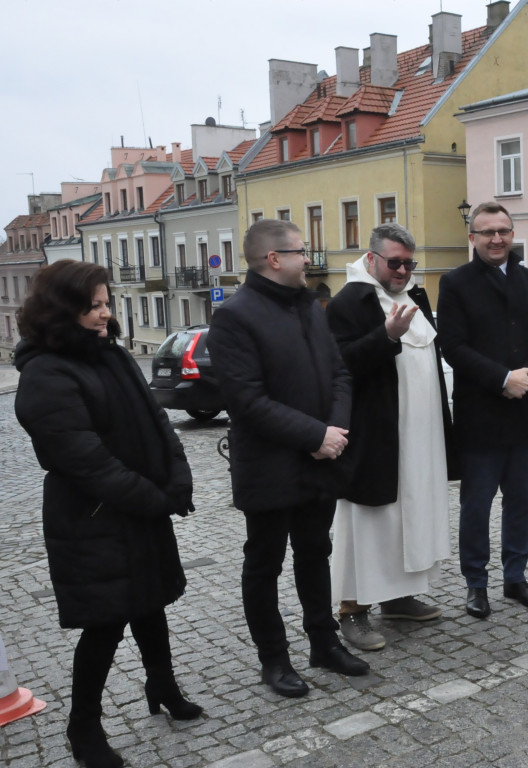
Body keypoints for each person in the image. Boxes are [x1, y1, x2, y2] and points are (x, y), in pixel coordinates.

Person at [14, 261, 200, 768]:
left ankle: (162, 685)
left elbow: (156, 419)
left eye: (106, 303)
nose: (105, 314)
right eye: (93, 306)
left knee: (151, 603)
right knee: (106, 622)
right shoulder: (46, 373)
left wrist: (177, 477)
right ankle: (84, 727)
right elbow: (86, 462)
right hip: (93, 518)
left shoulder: (111, 354)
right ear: (62, 309)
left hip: (140, 507)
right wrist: (154, 498)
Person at [207, 219, 368, 699]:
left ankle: (324, 643)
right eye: (301, 251)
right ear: (274, 259)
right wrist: (315, 435)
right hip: (270, 466)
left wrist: (334, 432)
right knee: (264, 564)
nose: (308, 258)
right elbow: (247, 401)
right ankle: (274, 659)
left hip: (321, 459)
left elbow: (340, 374)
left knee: (315, 554)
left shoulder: (309, 306)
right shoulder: (234, 317)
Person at [325, 224, 454, 650]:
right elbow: (339, 365)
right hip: (376, 436)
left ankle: (397, 597)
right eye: (394, 262)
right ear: (371, 257)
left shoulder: (414, 295)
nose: (402, 271)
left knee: (410, 515)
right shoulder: (348, 302)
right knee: (368, 522)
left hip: (420, 435)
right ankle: (352, 609)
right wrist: (385, 337)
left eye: (409, 263)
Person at [437, 202, 528, 619]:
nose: (497, 239)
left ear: (512, 234)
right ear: (472, 237)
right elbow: (453, 346)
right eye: (488, 232)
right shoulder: (456, 282)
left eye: (503, 231)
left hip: (525, 413)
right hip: (480, 416)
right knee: (477, 506)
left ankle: (515, 577)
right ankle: (476, 583)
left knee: (520, 503)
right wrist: (501, 378)